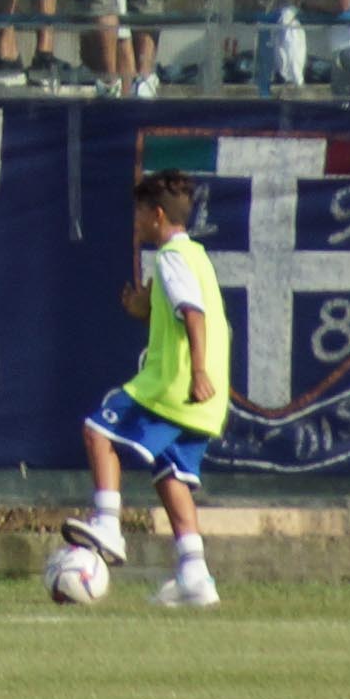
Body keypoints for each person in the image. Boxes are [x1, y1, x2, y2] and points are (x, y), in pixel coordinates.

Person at [63, 167, 227, 610]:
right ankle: (195, 574)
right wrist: (143, 307)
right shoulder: (195, 257)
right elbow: (176, 307)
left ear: (157, 215)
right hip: (208, 405)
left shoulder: (171, 257)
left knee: (98, 430)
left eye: (138, 213)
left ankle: (108, 524)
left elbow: (191, 313)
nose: (134, 222)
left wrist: (196, 371)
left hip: (175, 386)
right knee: (171, 475)